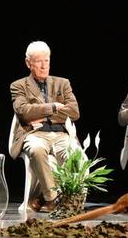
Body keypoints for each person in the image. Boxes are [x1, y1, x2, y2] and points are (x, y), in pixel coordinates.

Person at [10, 41, 80, 213]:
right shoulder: (18, 86)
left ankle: (45, 197)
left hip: (62, 134)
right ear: (28, 63)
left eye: (46, 60)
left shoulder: (63, 83)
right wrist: (54, 107)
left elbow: (74, 113)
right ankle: (51, 199)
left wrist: (40, 114)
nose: (43, 65)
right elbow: (23, 113)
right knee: (36, 150)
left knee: (75, 154)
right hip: (34, 134)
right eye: (38, 61)